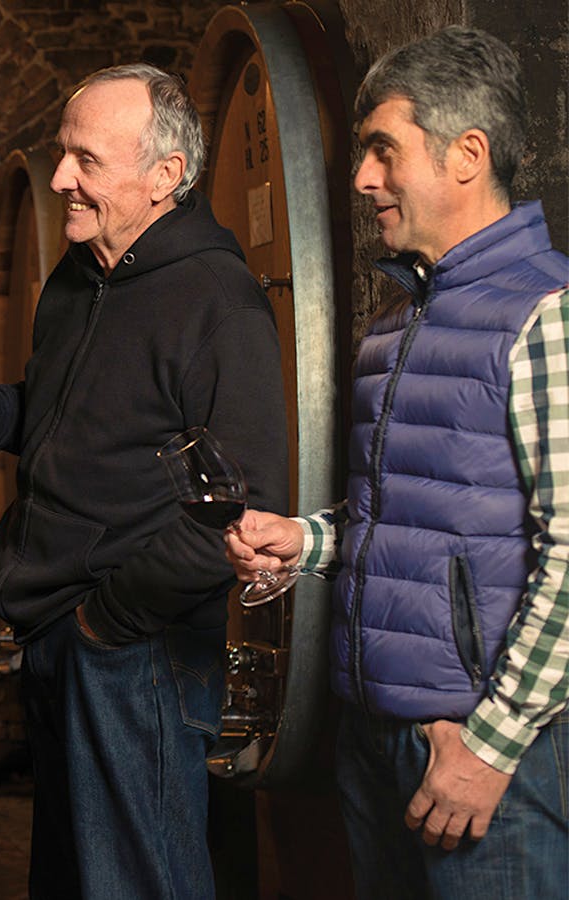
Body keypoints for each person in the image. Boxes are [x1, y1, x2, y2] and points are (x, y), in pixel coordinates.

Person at [0, 63, 287, 897]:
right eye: (62, 154)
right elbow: (71, 408)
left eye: (85, 159)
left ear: (165, 176)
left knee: (138, 881)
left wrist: (108, 622)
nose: (60, 179)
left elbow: (245, 496)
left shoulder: (216, 301)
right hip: (61, 632)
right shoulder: (81, 277)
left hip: (134, 648)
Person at [225, 26, 569, 899]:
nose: (362, 179)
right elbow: (410, 517)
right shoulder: (395, 321)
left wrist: (490, 747)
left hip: (490, 756)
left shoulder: (547, 316)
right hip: (377, 735)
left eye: (384, 150)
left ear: (468, 154)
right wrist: (306, 542)